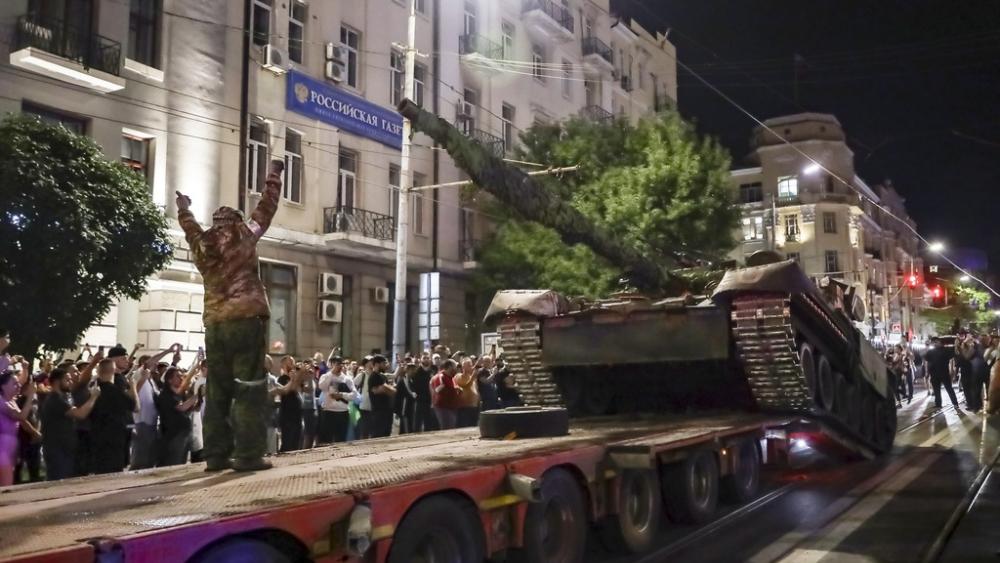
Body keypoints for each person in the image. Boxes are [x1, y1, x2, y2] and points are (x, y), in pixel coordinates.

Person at [176, 160, 283, 472]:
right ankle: (248, 455)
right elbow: (267, 207)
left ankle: (216, 455)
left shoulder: (201, 241)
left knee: (218, 388)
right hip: (246, 317)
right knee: (249, 386)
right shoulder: (244, 233)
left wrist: (184, 208)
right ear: (235, 220)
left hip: (215, 322)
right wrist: (273, 174)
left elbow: (189, 226)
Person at [40, 367, 100, 480]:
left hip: (65, 447)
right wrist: (93, 397)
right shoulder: (55, 399)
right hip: (57, 449)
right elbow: (80, 414)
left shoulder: (64, 397)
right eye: (67, 380)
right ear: (57, 382)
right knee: (58, 481)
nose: (70, 382)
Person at [90, 358, 138, 474]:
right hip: (114, 438)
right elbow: (136, 407)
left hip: (97, 437)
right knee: (113, 472)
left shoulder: (93, 389)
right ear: (113, 370)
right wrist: (133, 386)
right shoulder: (115, 392)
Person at [0, 370, 40, 486]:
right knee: (6, 484)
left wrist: (34, 433)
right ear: (2, 386)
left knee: (7, 481)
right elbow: (21, 416)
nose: (18, 386)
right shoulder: (1, 401)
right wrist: (31, 396)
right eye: (14, 384)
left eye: (18, 384)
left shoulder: (11, 400)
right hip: (2, 446)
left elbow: (22, 421)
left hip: (10, 446)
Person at [156, 367, 199, 466]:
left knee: (181, 462)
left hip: (184, 433)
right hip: (174, 435)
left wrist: (197, 403)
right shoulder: (165, 395)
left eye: (181, 376)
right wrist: (197, 395)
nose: (181, 378)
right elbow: (181, 408)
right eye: (178, 376)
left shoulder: (180, 395)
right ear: (169, 380)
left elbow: (188, 410)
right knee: (173, 462)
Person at [317, 356, 358, 443]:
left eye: (340, 364)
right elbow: (322, 386)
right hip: (328, 412)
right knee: (326, 440)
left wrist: (341, 395)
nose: (339, 366)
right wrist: (331, 373)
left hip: (342, 412)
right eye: (336, 364)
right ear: (331, 364)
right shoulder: (325, 376)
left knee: (341, 440)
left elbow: (354, 395)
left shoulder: (347, 379)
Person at [272, 360, 304, 452]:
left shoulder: (296, 377)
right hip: (287, 414)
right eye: (290, 361)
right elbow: (288, 390)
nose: (292, 363)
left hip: (297, 414)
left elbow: (301, 389)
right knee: (287, 442)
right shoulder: (282, 379)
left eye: (292, 361)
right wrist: (294, 378)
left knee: (296, 442)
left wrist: (301, 374)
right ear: (283, 365)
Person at [925, 337, 959, 409]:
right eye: (933, 342)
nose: (934, 344)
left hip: (944, 373)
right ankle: (938, 404)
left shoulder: (946, 350)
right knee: (936, 389)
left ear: (939, 342)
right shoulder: (930, 351)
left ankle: (955, 403)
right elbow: (927, 360)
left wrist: (956, 345)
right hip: (934, 373)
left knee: (949, 388)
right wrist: (927, 372)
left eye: (935, 342)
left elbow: (954, 354)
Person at [368, 355, 396, 438]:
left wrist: (388, 388)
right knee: (378, 436)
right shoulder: (373, 377)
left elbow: (389, 390)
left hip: (387, 410)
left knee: (387, 435)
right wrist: (390, 388)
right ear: (377, 364)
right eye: (384, 363)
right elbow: (382, 389)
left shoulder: (382, 376)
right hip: (379, 412)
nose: (386, 365)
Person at [430, 360, 462, 429]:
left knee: (451, 427)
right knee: (447, 428)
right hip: (443, 408)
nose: (457, 369)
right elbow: (437, 390)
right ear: (450, 367)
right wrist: (446, 387)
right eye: (455, 366)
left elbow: (453, 388)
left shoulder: (451, 377)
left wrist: (456, 389)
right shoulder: (441, 376)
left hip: (451, 407)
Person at [411, 353, 437, 432]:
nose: (426, 359)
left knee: (429, 423)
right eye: (424, 358)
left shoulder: (433, 370)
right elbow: (413, 386)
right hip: (420, 400)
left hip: (430, 400)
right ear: (421, 359)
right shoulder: (416, 372)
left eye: (427, 358)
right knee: (417, 423)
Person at [454, 357, 480, 427]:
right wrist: (473, 377)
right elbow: (465, 385)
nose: (471, 367)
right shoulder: (458, 376)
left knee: (473, 426)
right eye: (468, 365)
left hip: (474, 407)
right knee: (465, 426)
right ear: (463, 367)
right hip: (465, 407)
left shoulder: (472, 377)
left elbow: (476, 390)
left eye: (471, 365)